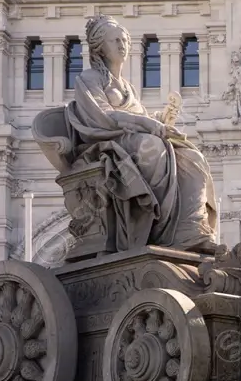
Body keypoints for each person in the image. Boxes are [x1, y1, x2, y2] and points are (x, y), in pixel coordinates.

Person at [35, 14, 218, 253]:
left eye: (124, 40)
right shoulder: (89, 79)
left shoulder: (128, 87)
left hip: (133, 141)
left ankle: (189, 229)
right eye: (115, 41)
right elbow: (103, 117)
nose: (122, 46)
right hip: (106, 144)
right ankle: (159, 230)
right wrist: (146, 124)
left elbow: (142, 119)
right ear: (100, 48)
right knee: (153, 149)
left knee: (192, 158)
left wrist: (160, 121)